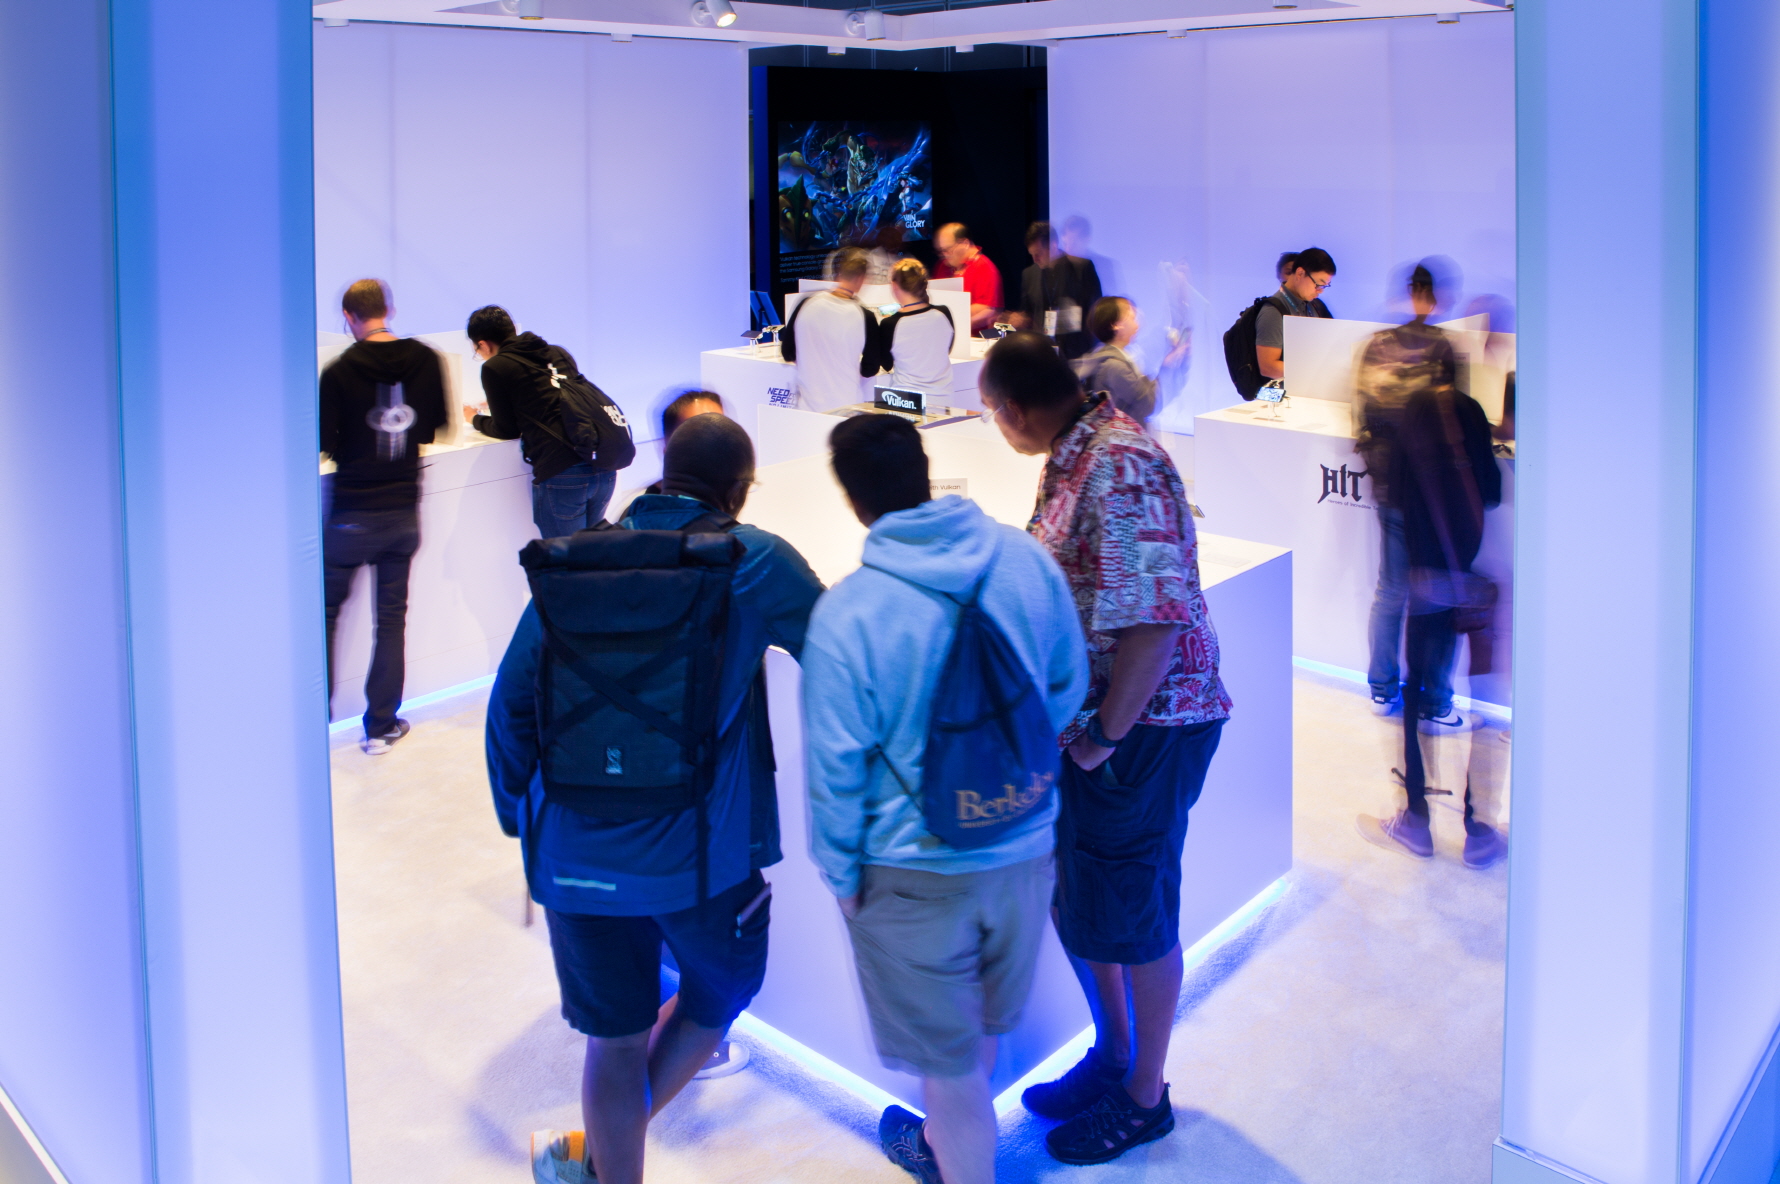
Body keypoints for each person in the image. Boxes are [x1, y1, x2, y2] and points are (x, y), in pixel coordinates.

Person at [491, 414, 824, 1184]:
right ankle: (592, 1164)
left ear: (661, 473)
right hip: (698, 861)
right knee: (721, 992)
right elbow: (838, 648)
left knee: (612, 1041)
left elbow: (508, 707)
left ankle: (596, 1168)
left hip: (572, 856)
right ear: (741, 490)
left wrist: (519, 819)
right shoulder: (753, 559)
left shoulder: (574, 560)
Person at [801, 414, 1087, 1184]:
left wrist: (841, 877)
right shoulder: (1024, 559)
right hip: (1024, 844)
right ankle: (948, 1143)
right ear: (925, 471)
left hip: (913, 872)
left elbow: (834, 771)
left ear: (853, 500)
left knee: (949, 1069)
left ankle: (955, 1157)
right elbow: (1068, 685)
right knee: (977, 1037)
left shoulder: (848, 613)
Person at [979, 333, 1232, 1166]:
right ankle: (1114, 1056)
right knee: (1087, 898)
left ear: (1015, 408)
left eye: (991, 413)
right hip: (1094, 727)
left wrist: (1103, 738)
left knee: (1133, 904)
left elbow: (1154, 624)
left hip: (1144, 729)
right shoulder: (1072, 453)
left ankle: (1146, 1095)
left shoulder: (1120, 461)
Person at [1355, 370, 1505, 869]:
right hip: (1468, 579)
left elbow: (1396, 497)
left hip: (1424, 580)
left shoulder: (1412, 416)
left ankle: (1416, 821)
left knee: (1415, 693)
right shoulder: (1470, 412)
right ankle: (1479, 830)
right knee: (1481, 698)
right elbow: (1491, 492)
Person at [319, 279, 448, 755]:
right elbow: (431, 427)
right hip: (403, 511)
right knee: (391, 620)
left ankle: (312, 726)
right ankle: (380, 728)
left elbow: (325, 442)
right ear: (388, 309)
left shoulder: (337, 372)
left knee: (324, 616)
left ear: (349, 317)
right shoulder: (427, 359)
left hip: (351, 513)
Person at [1353, 264, 1463, 721]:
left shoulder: (1376, 345)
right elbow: (1455, 420)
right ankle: (1434, 699)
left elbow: (1362, 418)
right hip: (1431, 491)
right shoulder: (1442, 349)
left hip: (1389, 486)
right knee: (1435, 594)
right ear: (1435, 297)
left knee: (1391, 590)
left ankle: (1382, 689)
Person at [463, 305, 621, 539]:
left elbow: (506, 429)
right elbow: (552, 397)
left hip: (563, 471)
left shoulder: (495, 367)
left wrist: (474, 419)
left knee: (563, 555)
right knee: (592, 550)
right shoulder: (558, 352)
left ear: (483, 344)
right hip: (603, 462)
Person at [780, 246, 883, 413]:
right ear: (861, 279)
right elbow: (870, 368)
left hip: (807, 407)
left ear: (838, 274)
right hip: (846, 407)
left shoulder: (806, 303)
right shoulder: (865, 316)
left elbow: (787, 352)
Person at [1016, 221, 1102, 360]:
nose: (1035, 259)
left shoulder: (1082, 268)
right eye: (1031, 254)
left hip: (1077, 355)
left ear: (1053, 245)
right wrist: (1021, 319)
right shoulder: (1029, 274)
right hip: (1043, 354)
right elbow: (1027, 312)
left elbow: (1096, 312)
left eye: (1038, 253)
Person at [1255, 247, 1337, 382]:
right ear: (1300, 273)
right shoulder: (1273, 311)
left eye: (1325, 286)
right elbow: (1268, 367)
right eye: (1318, 284)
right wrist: (1315, 371)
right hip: (1284, 392)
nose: (1320, 291)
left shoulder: (1315, 305)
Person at [1074, 297, 1159, 425]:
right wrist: (1166, 369)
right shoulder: (1115, 366)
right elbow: (1147, 405)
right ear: (1115, 325)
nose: (1137, 325)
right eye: (1131, 317)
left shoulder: (1107, 357)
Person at [877, 258, 955, 396]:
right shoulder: (943, 313)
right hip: (944, 395)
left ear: (894, 285)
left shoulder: (890, 324)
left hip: (907, 399)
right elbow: (946, 349)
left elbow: (887, 364)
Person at [932, 222, 1004, 335]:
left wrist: (958, 324)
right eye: (941, 251)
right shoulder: (943, 266)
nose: (945, 255)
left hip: (978, 338)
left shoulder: (984, 267)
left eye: (948, 249)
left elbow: (989, 310)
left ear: (964, 243)